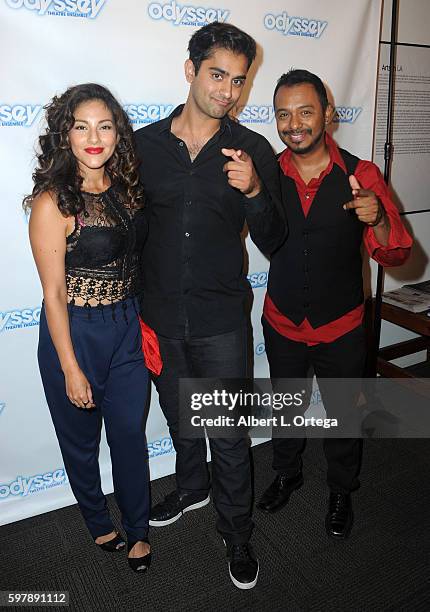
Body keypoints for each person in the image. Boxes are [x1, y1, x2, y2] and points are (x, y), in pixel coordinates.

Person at [134, 22, 285, 589]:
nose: (227, 91)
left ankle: (237, 532)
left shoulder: (253, 150)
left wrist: (253, 193)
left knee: (227, 433)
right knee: (181, 420)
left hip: (223, 321)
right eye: (218, 75)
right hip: (160, 317)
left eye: (238, 81)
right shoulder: (144, 146)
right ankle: (191, 489)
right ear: (191, 69)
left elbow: (274, 239)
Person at [257, 69, 412, 538]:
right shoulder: (267, 173)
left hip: (341, 324)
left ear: (327, 114)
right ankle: (287, 471)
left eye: (305, 111)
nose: (294, 124)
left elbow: (397, 251)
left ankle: (341, 488)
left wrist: (379, 216)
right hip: (282, 319)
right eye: (283, 114)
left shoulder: (361, 174)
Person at [25, 83, 154, 572]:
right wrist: (70, 368)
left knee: (129, 436)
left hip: (126, 326)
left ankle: (139, 531)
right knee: (80, 442)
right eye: (82, 126)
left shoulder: (126, 189)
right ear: (66, 135)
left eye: (104, 126)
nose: (94, 137)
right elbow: (53, 295)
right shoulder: (53, 201)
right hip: (73, 332)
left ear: (117, 133)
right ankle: (98, 520)